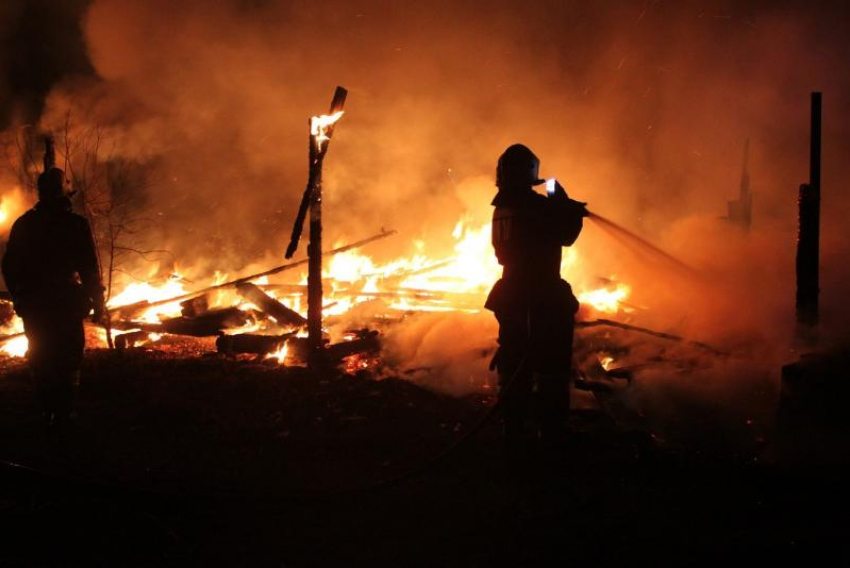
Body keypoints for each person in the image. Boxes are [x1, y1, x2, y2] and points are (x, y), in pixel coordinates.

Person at [484, 144, 587, 458]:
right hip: (542, 294)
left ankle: (513, 434)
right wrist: (566, 206)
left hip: (511, 293)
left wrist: (560, 205)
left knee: (514, 363)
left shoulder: (501, 207)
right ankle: (551, 436)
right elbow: (565, 235)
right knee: (551, 367)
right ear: (531, 174)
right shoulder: (534, 205)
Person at [2, 167, 106, 426]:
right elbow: (90, 270)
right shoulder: (75, 225)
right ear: (63, 191)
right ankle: (65, 411)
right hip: (66, 305)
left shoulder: (25, 224)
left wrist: (20, 298)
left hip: (36, 306)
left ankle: (47, 410)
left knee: (41, 356)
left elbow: (9, 267)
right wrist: (99, 302)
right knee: (68, 357)